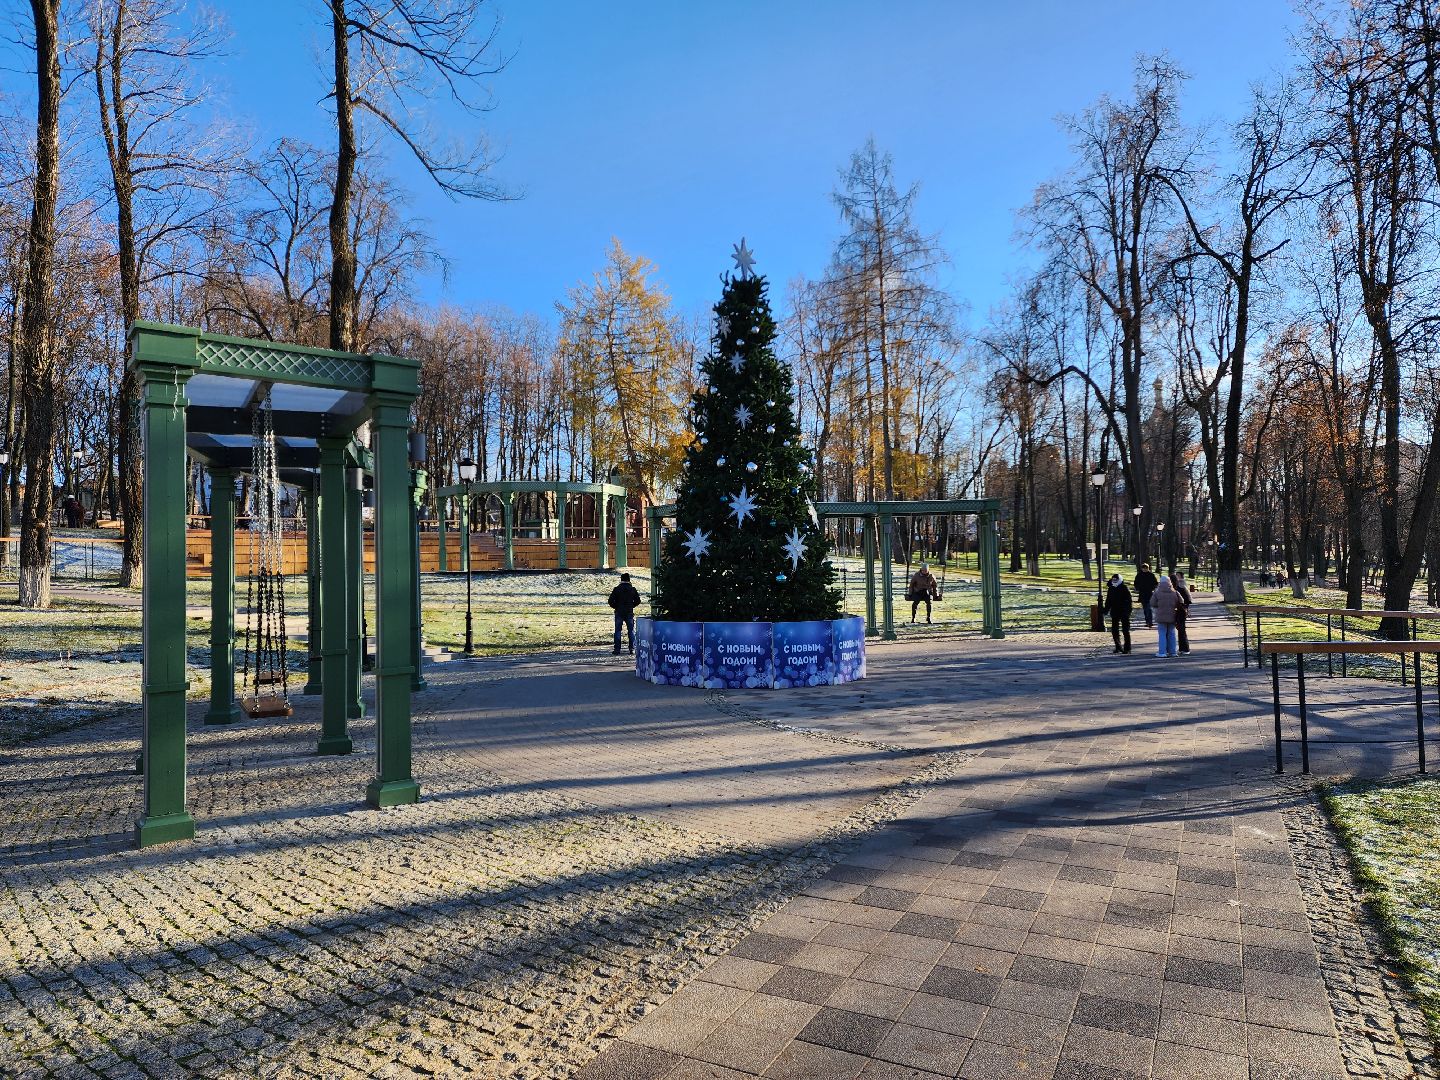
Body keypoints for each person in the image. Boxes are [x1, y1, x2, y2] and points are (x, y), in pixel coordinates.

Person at [607, 572, 642, 655]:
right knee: (631, 631)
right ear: (629, 580)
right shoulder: (632, 589)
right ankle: (632, 648)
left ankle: (617, 649)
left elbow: (610, 601)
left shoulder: (616, 589)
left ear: (621, 580)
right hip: (629, 612)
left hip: (619, 612)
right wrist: (631, 606)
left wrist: (616, 607)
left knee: (618, 630)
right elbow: (638, 601)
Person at [1102, 572, 1133, 654]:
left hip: (1124, 612)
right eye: (1113, 579)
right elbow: (1108, 600)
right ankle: (1118, 646)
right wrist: (1106, 610)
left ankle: (1127, 648)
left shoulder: (1124, 587)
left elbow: (1129, 601)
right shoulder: (1111, 588)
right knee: (1114, 630)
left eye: (1116, 579)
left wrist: (1127, 611)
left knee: (1125, 630)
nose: (1114, 581)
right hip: (1115, 611)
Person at [1150, 576, 1180, 658]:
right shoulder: (1174, 592)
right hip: (1172, 615)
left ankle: (1162, 652)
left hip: (1161, 615)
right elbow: (1180, 601)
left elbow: (1152, 603)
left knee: (1162, 634)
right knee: (1172, 633)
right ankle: (1173, 652)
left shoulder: (1157, 592)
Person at [1170, 570, 1193, 655]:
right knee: (1180, 629)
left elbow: (1186, 600)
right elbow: (1188, 600)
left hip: (1179, 611)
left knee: (1181, 629)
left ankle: (1184, 649)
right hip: (1181, 610)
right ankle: (1182, 648)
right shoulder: (1179, 588)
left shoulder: (1179, 588)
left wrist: (1184, 607)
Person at [1134, 562, 1159, 628]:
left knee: (1149, 608)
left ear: (1148, 568)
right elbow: (1136, 583)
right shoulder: (1139, 575)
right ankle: (1147, 621)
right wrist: (1137, 588)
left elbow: (1155, 583)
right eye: (1143, 568)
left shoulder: (1151, 575)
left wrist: (1152, 588)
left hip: (1149, 593)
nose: (1144, 569)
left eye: (1146, 568)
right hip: (1142, 593)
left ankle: (1150, 622)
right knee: (1145, 608)